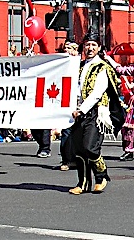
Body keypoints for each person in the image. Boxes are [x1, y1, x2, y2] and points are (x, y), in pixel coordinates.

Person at [68, 33, 115, 194]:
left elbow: (97, 92)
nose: (90, 48)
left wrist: (82, 109)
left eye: (94, 45)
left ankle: (101, 175)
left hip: (95, 112)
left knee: (90, 147)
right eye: (87, 44)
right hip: (77, 112)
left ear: (99, 47)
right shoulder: (79, 66)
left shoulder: (102, 67)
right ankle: (83, 183)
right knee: (79, 149)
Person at [57, 40, 80, 171]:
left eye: (70, 48)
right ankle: (66, 160)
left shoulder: (81, 63)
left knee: (80, 133)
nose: (67, 50)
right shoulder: (60, 63)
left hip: (80, 101)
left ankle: (78, 159)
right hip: (66, 101)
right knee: (66, 131)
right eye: (65, 48)